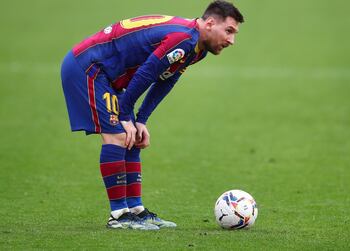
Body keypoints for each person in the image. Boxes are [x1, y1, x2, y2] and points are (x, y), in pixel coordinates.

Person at [61, 0, 244, 230]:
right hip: (88, 67)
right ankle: (118, 215)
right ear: (209, 23)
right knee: (118, 136)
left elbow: (166, 80)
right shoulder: (184, 39)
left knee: (133, 138)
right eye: (228, 31)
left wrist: (141, 120)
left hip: (107, 74)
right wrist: (126, 114)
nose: (231, 40)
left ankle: (136, 210)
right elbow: (147, 73)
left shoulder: (196, 48)